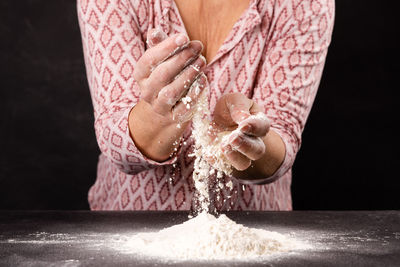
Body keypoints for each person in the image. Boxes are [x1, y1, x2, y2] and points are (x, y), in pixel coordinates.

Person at [76, 0, 335, 211]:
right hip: (128, 233)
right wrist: (160, 114)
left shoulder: (304, 4)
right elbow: (116, 143)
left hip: (252, 236)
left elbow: (284, 135)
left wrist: (244, 138)